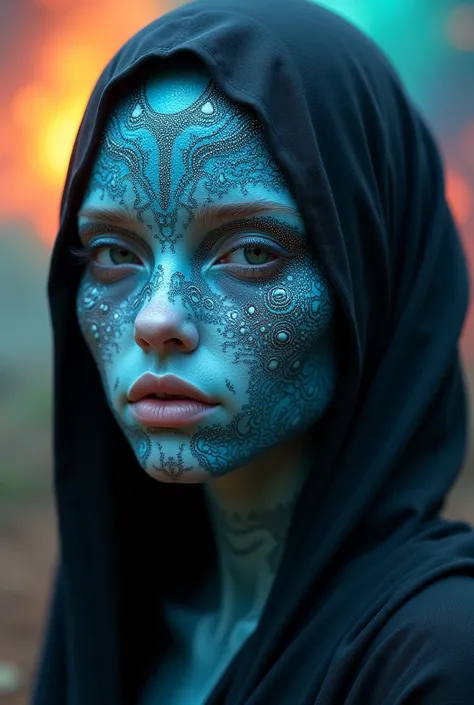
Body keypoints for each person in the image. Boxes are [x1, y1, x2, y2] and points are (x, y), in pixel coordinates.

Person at [32, 0, 474, 703]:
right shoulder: (120, 621)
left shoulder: (440, 657)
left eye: (251, 251)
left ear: (372, 274)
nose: (156, 317)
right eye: (116, 252)